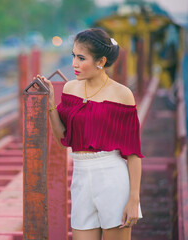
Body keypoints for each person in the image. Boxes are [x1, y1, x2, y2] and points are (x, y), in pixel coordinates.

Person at [37, 28, 143, 240]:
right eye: (73, 56)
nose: (74, 63)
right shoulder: (70, 89)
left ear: (101, 61)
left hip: (112, 178)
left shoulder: (122, 94)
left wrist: (133, 199)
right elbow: (62, 140)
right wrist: (50, 104)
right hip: (81, 178)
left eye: (81, 58)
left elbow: (133, 153)